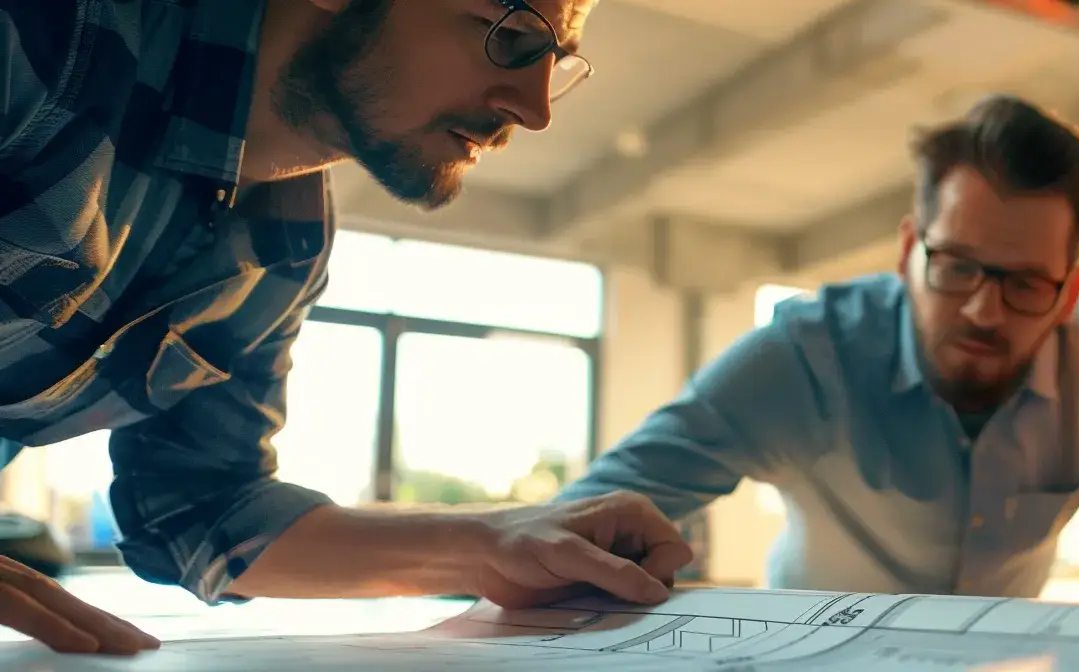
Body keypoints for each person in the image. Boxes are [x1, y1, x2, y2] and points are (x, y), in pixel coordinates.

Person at [0, 0, 691, 654]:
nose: (535, 110)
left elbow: (202, 511)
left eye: (555, 63)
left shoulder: (288, 247)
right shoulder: (58, 34)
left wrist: (493, 541)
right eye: (508, 35)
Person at [558, 94, 1079, 599]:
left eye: (1024, 284)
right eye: (957, 266)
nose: (984, 311)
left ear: (1070, 293)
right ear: (908, 253)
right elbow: (589, 519)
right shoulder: (803, 356)